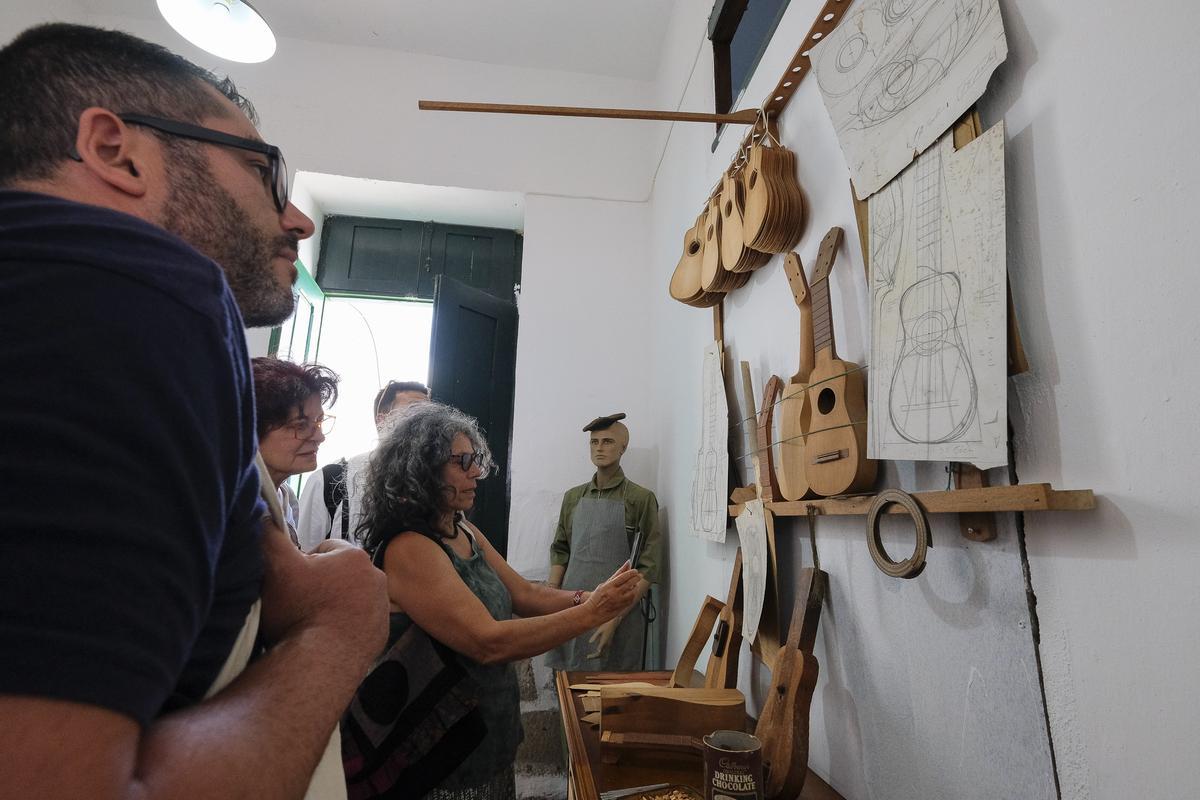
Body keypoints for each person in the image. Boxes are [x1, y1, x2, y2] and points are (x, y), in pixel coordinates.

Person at [0, 23, 388, 800]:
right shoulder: (134, 286)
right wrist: (338, 630)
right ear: (117, 151)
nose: (298, 219)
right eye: (261, 170)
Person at [355, 402, 643, 800]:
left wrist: (588, 597)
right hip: (442, 757)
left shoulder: (462, 529)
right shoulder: (409, 549)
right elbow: (488, 642)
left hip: (487, 738)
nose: (476, 471)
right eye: (462, 461)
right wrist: (593, 613)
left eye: (475, 459)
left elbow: (524, 594)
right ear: (422, 468)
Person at [545, 413, 660, 671]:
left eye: (607, 441)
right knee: (569, 688)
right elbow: (561, 549)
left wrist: (615, 617)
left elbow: (648, 567)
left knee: (614, 694)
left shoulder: (640, 499)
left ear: (623, 447)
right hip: (572, 607)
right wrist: (551, 598)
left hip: (620, 612)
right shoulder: (573, 497)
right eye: (594, 442)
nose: (599, 448)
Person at [296, 379, 429, 550]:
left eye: (430, 414)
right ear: (383, 420)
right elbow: (306, 555)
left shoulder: (439, 483)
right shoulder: (328, 481)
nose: (425, 421)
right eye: (414, 411)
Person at [252, 358, 340, 545]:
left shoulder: (286, 498)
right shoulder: (231, 507)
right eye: (300, 425)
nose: (319, 437)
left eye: (319, 421)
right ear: (251, 428)